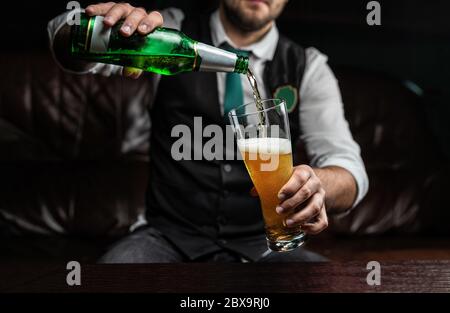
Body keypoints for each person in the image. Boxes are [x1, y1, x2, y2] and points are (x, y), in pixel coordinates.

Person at [47, 0, 369, 263]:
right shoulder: (169, 30)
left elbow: (350, 170)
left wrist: (319, 185)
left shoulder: (307, 66)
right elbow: (65, 42)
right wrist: (92, 31)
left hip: (266, 246)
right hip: (167, 238)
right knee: (114, 277)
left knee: (329, 284)